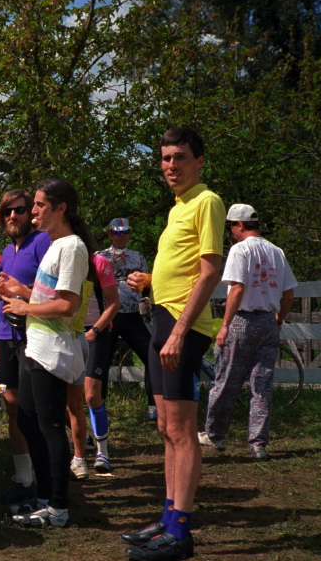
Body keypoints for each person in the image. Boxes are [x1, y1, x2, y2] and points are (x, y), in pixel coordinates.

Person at [124, 127, 225, 560]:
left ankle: (180, 533)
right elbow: (180, 270)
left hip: (183, 327)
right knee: (166, 427)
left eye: (180, 157)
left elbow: (210, 271)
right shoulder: (178, 207)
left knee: (183, 432)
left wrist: (181, 332)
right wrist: (150, 281)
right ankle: (167, 519)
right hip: (163, 320)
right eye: (166, 158)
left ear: (199, 161)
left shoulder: (207, 201)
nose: (171, 165)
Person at [0, 179, 93, 529]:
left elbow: (67, 306)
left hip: (53, 350)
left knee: (50, 426)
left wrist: (24, 308)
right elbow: (48, 296)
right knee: (27, 420)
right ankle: (43, 497)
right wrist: (21, 291)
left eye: (39, 205)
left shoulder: (72, 247)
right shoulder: (55, 245)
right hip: (35, 346)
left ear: (60, 209)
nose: (33, 211)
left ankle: (58, 507)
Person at [0, 190, 51, 506]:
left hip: (34, 334)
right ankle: (24, 479)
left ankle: (47, 483)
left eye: (19, 210)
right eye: (7, 212)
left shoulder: (42, 242)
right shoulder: (7, 250)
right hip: (6, 336)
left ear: (31, 213)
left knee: (35, 410)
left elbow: (54, 293)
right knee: (12, 405)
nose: (13, 216)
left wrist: (23, 292)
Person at [198, 204, 297, 460]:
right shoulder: (277, 251)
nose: (231, 231)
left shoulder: (240, 250)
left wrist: (225, 325)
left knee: (226, 380)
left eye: (231, 226)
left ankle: (215, 434)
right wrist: (278, 320)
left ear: (240, 225)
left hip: (242, 320)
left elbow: (238, 288)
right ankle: (258, 443)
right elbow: (288, 294)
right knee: (261, 385)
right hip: (268, 322)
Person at [97, 218, 157, 422]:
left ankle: (154, 406)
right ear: (110, 235)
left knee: (151, 356)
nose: (122, 236)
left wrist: (147, 308)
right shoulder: (100, 256)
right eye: (117, 233)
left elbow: (147, 286)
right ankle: (99, 405)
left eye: (125, 232)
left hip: (133, 315)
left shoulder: (137, 256)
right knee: (102, 361)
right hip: (109, 315)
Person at [68, 252, 119, 478]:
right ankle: (80, 449)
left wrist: (95, 330)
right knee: (69, 397)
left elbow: (114, 303)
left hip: (96, 332)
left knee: (91, 395)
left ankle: (102, 452)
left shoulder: (99, 262)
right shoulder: (59, 258)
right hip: (69, 331)